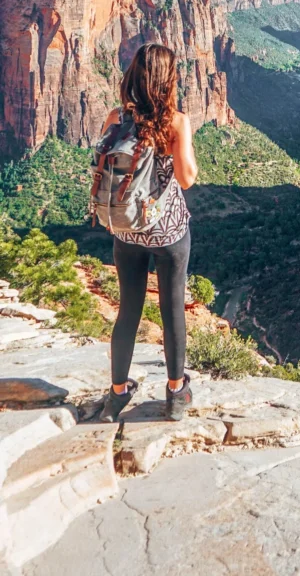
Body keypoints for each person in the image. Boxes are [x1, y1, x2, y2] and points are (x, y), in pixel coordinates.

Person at [99, 43, 198, 423]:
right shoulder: (175, 122)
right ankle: (176, 393)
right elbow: (187, 179)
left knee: (128, 311)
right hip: (167, 231)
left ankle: (117, 393)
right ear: (166, 81)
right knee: (172, 309)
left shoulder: (115, 117)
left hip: (126, 232)